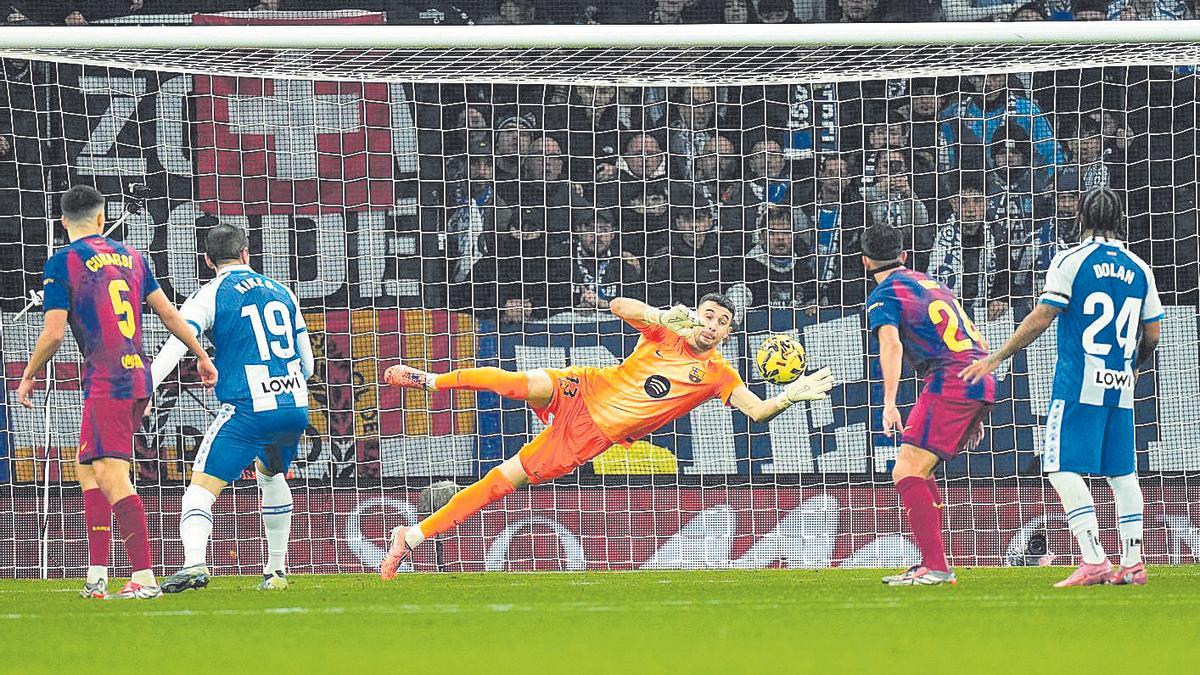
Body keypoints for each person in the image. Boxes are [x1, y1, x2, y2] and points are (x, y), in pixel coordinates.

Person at [377, 293, 835, 579]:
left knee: (499, 483)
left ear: (728, 333)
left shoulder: (718, 374)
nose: (711, 325)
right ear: (696, 315)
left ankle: (410, 537)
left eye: (721, 323)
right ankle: (433, 381)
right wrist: (662, 314)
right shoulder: (665, 328)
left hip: (588, 438)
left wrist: (791, 396)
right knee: (518, 382)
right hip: (586, 386)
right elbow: (619, 307)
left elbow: (756, 411)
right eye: (707, 315)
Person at [16, 185, 217, 599]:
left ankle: (144, 577)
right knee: (87, 467)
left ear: (62, 222)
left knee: (111, 474)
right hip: (135, 375)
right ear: (103, 219)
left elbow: (53, 333)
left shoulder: (63, 261)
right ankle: (96, 575)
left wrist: (29, 374)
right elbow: (167, 311)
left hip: (108, 380)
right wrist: (201, 354)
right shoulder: (132, 257)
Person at [961, 187, 1162, 587]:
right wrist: (1133, 365)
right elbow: (1153, 332)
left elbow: (1042, 316)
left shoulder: (1070, 260)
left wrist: (996, 357)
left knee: (1059, 466)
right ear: (1120, 220)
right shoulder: (1140, 267)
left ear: (1081, 219)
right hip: (1120, 384)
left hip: (1078, 383)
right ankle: (1134, 562)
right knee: (1123, 475)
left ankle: (1093, 558)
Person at [150, 223, 313, 593]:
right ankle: (275, 572)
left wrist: (144, 390)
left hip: (247, 407)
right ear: (246, 253)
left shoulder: (209, 295)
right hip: (293, 405)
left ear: (208, 260)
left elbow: (176, 346)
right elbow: (310, 365)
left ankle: (193, 563)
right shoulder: (283, 291)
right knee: (271, 476)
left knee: (200, 490)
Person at [861, 225, 997, 586]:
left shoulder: (884, 294)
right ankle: (931, 562)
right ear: (904, 256)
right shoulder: (933, 283)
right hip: (976, 376)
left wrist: (889, 403)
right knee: (922, 471)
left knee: (905, 471)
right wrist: (976, 407)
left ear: (865, 262)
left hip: (950, 379)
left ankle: (935, 566)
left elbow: (891, 345)